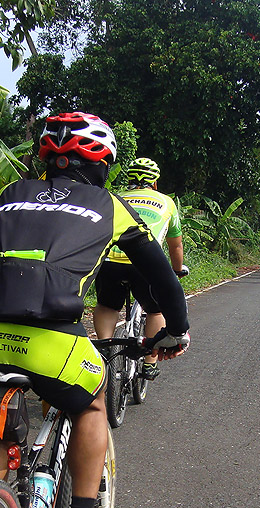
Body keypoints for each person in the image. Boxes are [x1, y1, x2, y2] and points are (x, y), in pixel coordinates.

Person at [0, 112, 191, 508]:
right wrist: (176, 331)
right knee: (92, 403)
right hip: (51, 340)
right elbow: (164, 279)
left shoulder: (8, 195)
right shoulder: (110, 206)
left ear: (47, 158)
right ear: (102, 163)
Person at [93, 157, 187, 381]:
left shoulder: (114, 198)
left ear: (129, 180)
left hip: (109, 263)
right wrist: (176, 270)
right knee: (155, 311)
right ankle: (150, 363)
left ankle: (105, 353)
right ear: (155, 182)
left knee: (107, 306)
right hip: (145, 265)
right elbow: (176, 245)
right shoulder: (167, 202)